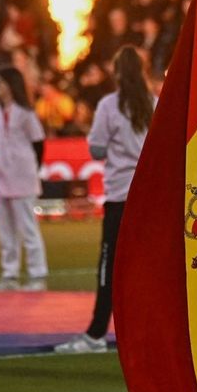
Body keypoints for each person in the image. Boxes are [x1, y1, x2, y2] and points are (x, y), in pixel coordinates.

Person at [56, 45, 153, 354]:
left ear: (117, 73)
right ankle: (145, 335)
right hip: (146, 196)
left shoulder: (110, 106)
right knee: (145, 270)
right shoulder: (154, 103)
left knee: (108, 267)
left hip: (120, 194)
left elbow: (96, 149)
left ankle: (97, 333)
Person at [0, 66, 47, 291]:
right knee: (5, 230)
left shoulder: (25, 113)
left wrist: (32, 167)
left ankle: (37, 274)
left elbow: (38, 142)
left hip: (22, 175)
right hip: (1, 175)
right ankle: (9, 274)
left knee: (27, 227)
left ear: (10, 85)